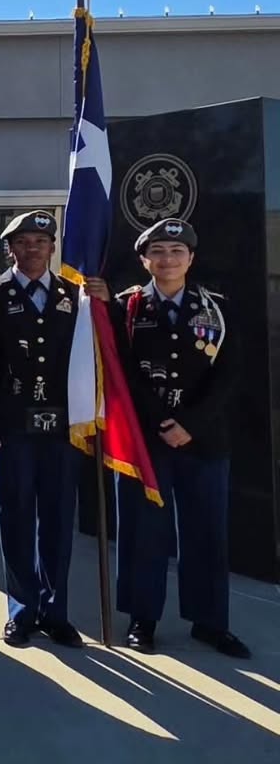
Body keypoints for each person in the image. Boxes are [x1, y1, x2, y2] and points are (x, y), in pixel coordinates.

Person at [97, 218, 249, 659]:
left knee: (206, 531)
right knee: (143, 531)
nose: (167, 259)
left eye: (176, 252)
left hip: (203, 438)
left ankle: (210, 621)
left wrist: (191, 424)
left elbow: (230, 375)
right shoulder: (125, 307)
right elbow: (120, 371)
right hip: (145, 437)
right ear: (144, 259)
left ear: (191, 258)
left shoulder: (217, 307)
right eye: (158, 252)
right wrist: (163, 420)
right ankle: (142, 619)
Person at [0, 209, 82, 649]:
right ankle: (22, 608)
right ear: (10, 249)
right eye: (23, 242)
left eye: (40, 242)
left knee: (59, 519)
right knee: (17, 514)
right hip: (14, 424)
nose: (32, 249)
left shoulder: (74, 297)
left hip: (61, 425)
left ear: (52, 247)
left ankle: (55, 610)